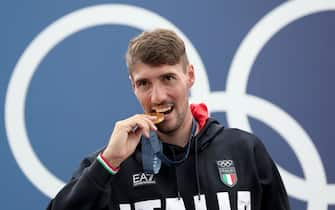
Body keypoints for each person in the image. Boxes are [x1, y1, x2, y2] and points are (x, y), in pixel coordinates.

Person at [47, 29, 290, 210]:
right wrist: (108, 162)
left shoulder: (245, 151)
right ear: (133, 86)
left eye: (168, 78)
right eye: (144, 83)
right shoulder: (111, 165)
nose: (158, 97)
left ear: (190, 76)